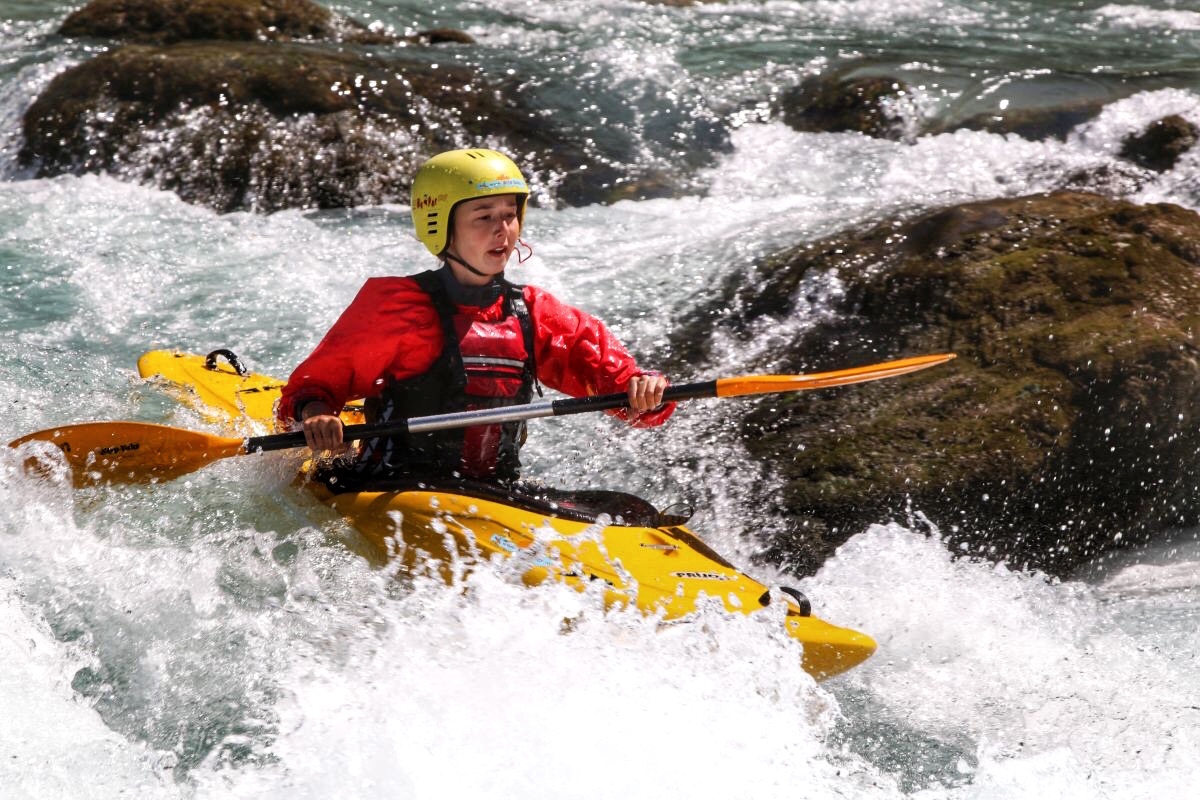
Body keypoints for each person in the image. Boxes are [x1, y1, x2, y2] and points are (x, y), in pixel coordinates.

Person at [277, 148, 674, 490]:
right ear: (441, 226)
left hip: (492, 494)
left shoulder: (533, 312)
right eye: (484, 217)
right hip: (389, 487)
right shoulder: (396, 306)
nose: (503, 231)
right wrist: (318, 415)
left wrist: (645, 391)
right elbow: (309, 390)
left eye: (509, 215)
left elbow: (628, 397)